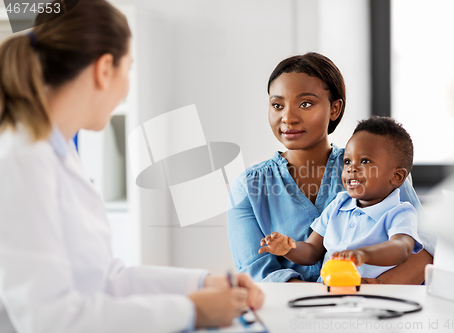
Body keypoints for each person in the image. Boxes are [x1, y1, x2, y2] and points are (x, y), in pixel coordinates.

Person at [0, 1, 263, 332]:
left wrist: (203, 283)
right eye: (130, 68)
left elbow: (107, 279)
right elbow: (50, 320)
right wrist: (190, 311)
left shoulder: (57, 152)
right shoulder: (21, 161)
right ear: (105, 69)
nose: (127, 84)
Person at [227, 52, 434, 283]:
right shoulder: (248, 187)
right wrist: (318, 303)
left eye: (305, 104)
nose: (288, 118)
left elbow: (425, 252)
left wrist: (372, 290)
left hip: (376, 309)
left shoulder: (382, 172)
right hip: (295, 313)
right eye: (277, 105)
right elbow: (257, 271)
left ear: (334, 109)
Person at [258, 116, 423, 280]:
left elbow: (401, 248)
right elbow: (312, 251)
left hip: (372, 298)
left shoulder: (400, 212)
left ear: (397, 176)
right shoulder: (338, 204)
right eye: (347, 161)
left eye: (365, 161)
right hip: (329, 293)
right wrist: (288, 248)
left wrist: (363, 254)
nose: (352, 168)